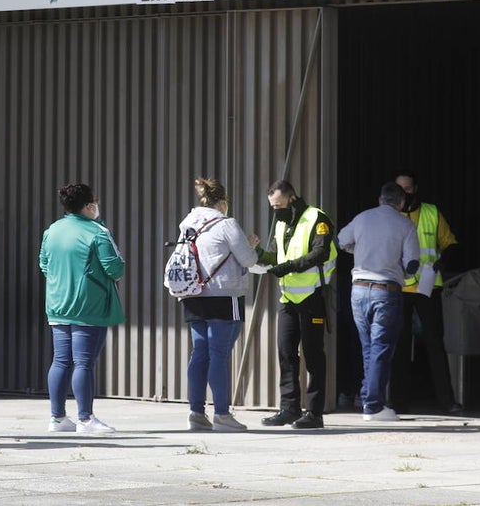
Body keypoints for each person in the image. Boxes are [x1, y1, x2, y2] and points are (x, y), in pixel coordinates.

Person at [177, 177, 263, 432]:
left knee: (199, 353)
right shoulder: (226, 223)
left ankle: (196, 413)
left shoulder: (188, 224)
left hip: (193, 294)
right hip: (224, 296)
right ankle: (223, 415)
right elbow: (247, 260)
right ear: (223, 203)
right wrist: (251, 245)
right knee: (219, 355)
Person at [39, 183, 125, 434]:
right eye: (94, 201)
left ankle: (57, 418)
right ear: (88, 205)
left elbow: (44, 264)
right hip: (90, 304)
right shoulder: (97, 231)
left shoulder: (52, 230)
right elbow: (115, 267)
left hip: (57, 304)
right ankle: (86, 419)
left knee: (60, 361)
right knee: (84, 362)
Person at [337, 182, 420, 422]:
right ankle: (373, 406)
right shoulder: (405, 224)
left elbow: (342, 240)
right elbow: (412, 263)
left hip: (359, 290)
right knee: (382, 348)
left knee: (368, 348)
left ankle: (367, 398)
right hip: (386, 290)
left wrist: (360, 250)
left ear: (380, 199)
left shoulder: (362, 218)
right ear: (402, 203)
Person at [259, 181, 337, 430]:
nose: (276, 211)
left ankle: (314, 413)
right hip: (288, 299)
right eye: (272, 207)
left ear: (292, 199)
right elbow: (275, 256)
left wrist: (289, 266)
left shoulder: (317, 218)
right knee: (286, 352)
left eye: (279, 205)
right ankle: (289, 409)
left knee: (313, 355)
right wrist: (257, 252)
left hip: (313, 296)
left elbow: (320, 253)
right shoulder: (282, 224)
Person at [390, 171, 463, 414]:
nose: (405, 194)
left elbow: (450, 243)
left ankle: (446, 401)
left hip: (428, 287)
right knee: (398, 346)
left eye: (408, 189)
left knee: (434, 344)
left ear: (416, 189)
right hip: (399, 286)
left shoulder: (431, 212)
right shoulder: (388, 215)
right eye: (400, 190)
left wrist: (443, 261)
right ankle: (397, 402)